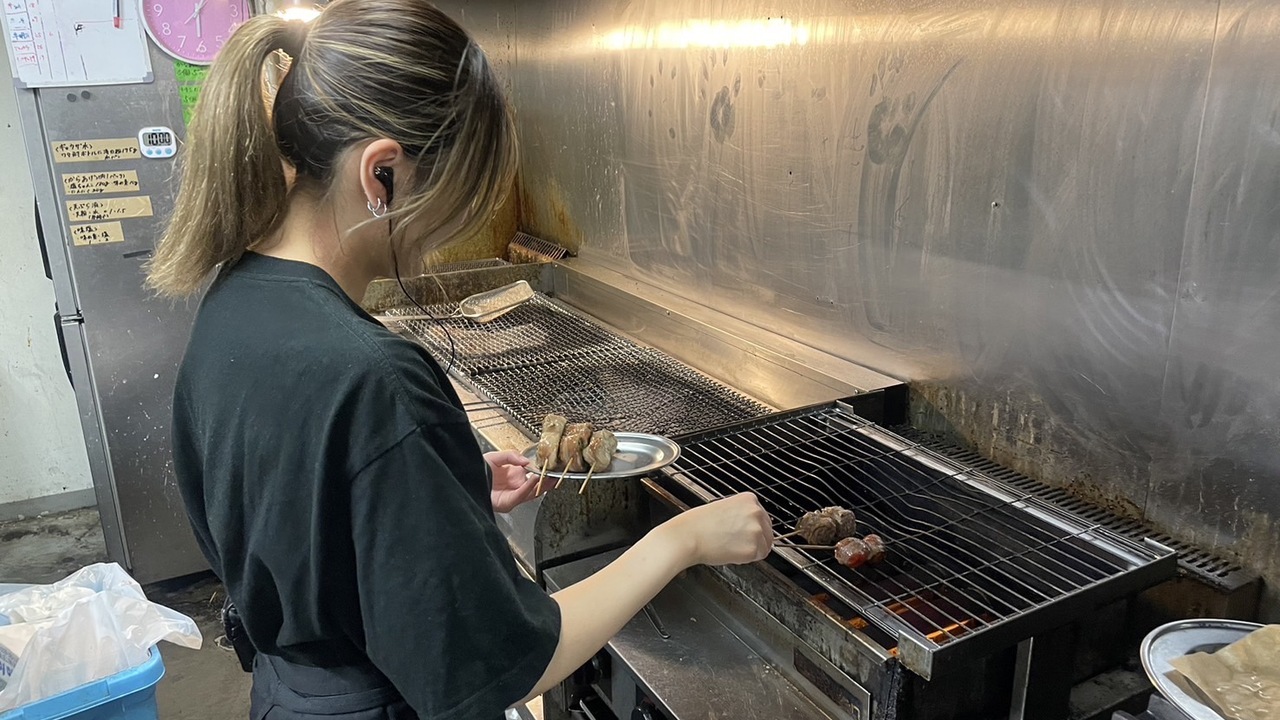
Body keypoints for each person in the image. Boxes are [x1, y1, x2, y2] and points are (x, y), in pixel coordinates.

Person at [145, 1, 774, 718]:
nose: (450, 230)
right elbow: (500, 664)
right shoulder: (374, 379)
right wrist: (681, 539)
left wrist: (443, 487)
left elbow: (295, 510)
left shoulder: (235, 300)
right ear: (381, 173)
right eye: (457, 198)